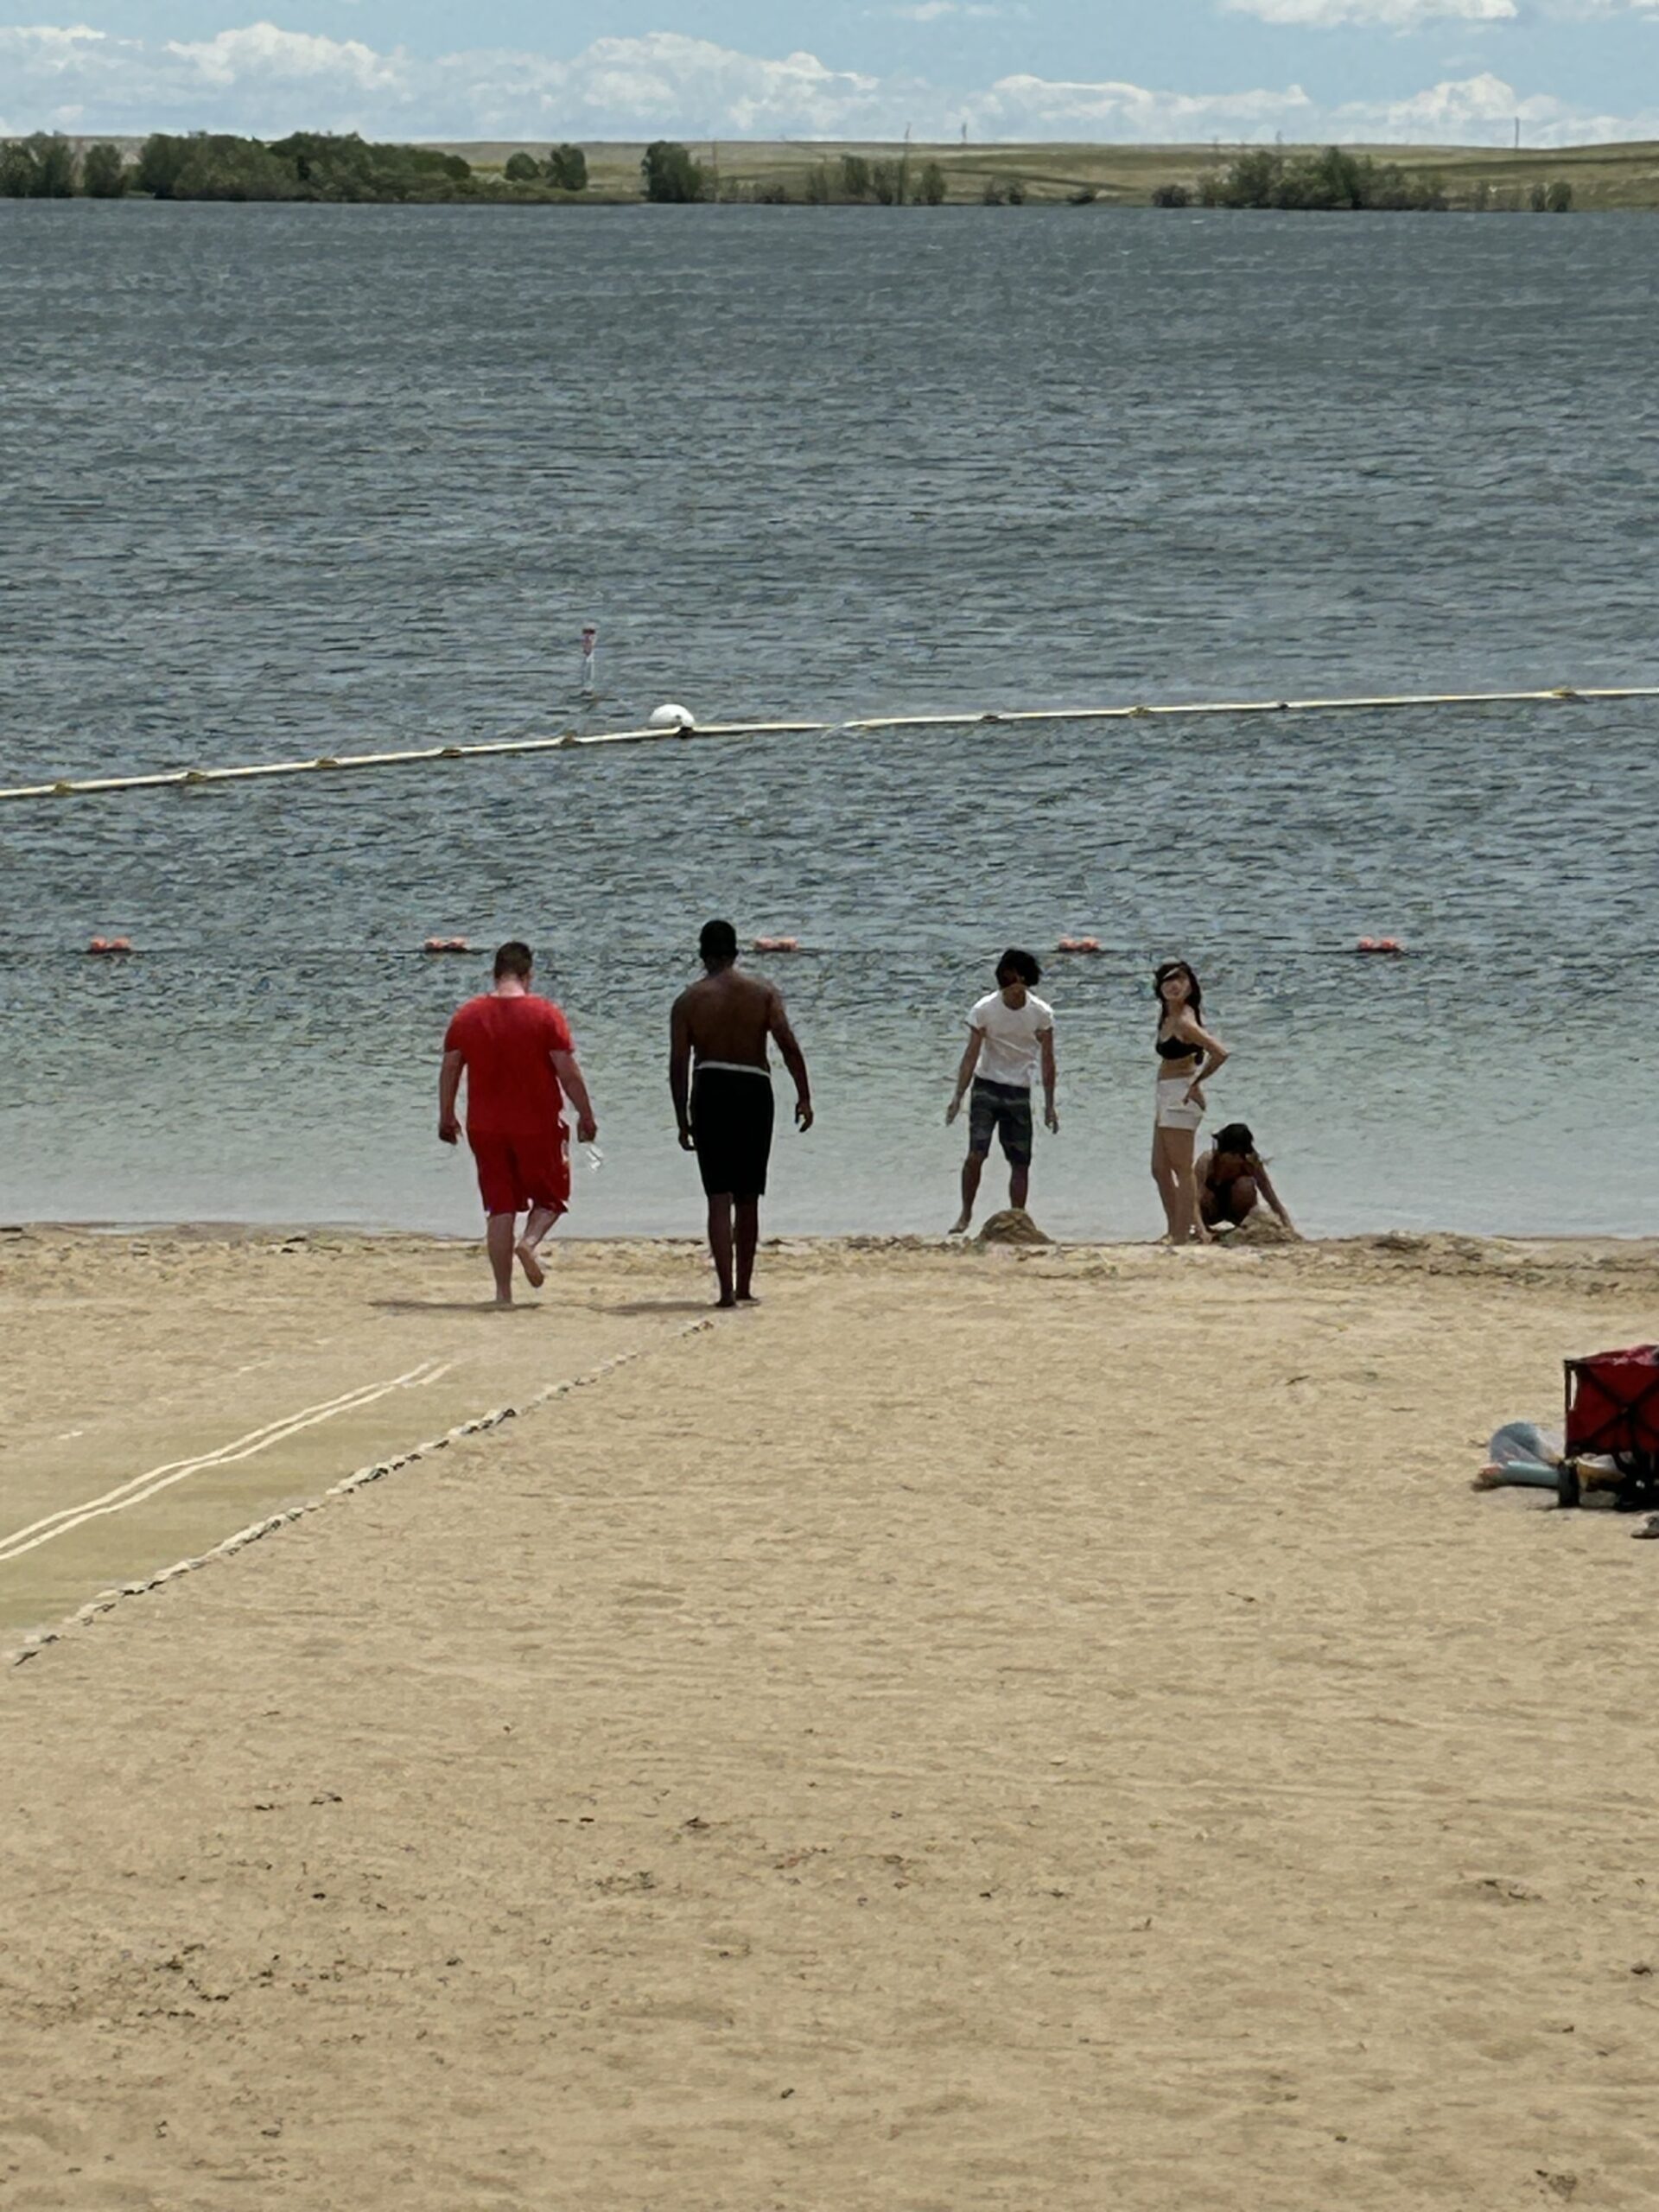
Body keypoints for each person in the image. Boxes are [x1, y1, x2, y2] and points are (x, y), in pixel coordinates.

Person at [438, 940, 598, 1306]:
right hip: (537, 1124)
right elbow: (567, 1071)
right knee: (552, 1198)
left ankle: (502, 1294)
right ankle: (529, 1243)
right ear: (528, 975)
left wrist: (446, 1114)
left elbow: (450, 1068)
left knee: (499, 1207)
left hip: (484, 1126)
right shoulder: (545, 1015)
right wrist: (586, 1114)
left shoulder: (467, 1015)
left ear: (495, 973)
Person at [670, 919, 813, 1308]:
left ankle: (725, 1292)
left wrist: (682, 1118)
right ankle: (745, 1286)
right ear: (735, 953)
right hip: (753, 1089)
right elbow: (788, 1045)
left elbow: (678, 1064)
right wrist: (804, 1096)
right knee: (748, 1195)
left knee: (718, 1196)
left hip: (710, 1087)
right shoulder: (763, 993)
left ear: (703, 955)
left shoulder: (688, 1001)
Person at [946, 948, 1058, 1236]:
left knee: (1020, 1161)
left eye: (1020, 979)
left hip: (1019, 1089)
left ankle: (1018, 1218)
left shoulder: (1041, 1013)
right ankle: (965, 1213)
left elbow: (1048, 1061)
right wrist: (958, 1096)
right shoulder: (985, 1009)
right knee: (976, 1153)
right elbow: (971, 1055)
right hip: (987, 1085)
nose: (1015, 987)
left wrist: (1049, 1104)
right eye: (1010, 980)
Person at [1150, 959, 1229, 1245]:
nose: (1173, 985)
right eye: (1167, 980)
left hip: (1181, 1095)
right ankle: (1177, 1228)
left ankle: (1183, 1236)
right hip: (1166, 1095)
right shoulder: (1168, 1015)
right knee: (1159, 1169)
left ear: (1190, 985)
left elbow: (1219, 1052)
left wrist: (1196, 1082)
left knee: (1182, 1169)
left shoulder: (1185, 1020)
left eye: (1180, 979)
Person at [1197, 1122, 1299, 1237]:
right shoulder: (1207, 1161)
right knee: (1202, 1194)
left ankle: (1244, 1226)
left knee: (1245, 1185)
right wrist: (1201, 1230)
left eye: (1239, 1155)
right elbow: (1194, 1199)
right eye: (1232, 1154)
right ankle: (1203, 1228)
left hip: (1237, 1210)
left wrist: (1287, 1225)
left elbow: (1269, 1194)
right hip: (1211, 1210)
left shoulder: (1249, 1162)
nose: (1236, 1159)